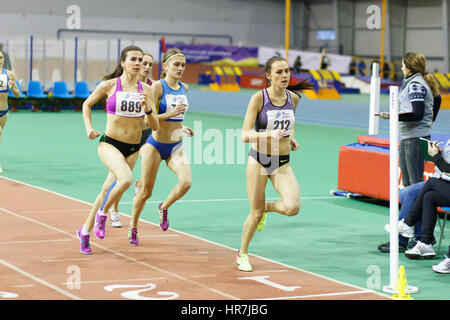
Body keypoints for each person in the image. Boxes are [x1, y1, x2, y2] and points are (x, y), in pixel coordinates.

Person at [77, 45, 159, 254]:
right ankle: (102, 214)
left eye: (141, 60)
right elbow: (87, 104)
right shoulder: (109, 85)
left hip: (132, 147)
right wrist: (89, 128)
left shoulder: (147, 90)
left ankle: (85, 231)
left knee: (106, 189)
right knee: (125, 180)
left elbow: (155, 125)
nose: (138, 63)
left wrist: (148, 109)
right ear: (123, 62)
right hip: (110, 143)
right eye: (133, 59)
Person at [236, 56, 314, 272]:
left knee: (292, 207)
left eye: (287, 71)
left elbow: (291, 124)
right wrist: (269, 134)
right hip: (260, 160)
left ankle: (267, 208)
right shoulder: (258, 99)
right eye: (279, 72)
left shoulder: (293, 98)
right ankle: (242, 253)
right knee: (255, 213)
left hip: (281, 163)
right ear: (268, 76)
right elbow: (244, 135)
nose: (285, 75)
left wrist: (291, 138)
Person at [129, 48, 194, 246]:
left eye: (183, 65)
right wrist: (172, 112)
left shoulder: (185, 88)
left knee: (186, 183)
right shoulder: (157, 87)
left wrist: (182, 126)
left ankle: (164, 207)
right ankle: (133, 227)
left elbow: (179, 115)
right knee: (146, 192)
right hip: (155, 145)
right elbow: (150, 119)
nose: (180, 68)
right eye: (176, 64)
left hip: (176, 146)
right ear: (165, 66)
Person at [377, 90, 441, 253]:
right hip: (442, 178)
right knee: (406, 192)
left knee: (414, 192)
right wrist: (438, 154)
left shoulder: (418, 85)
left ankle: (402, 236)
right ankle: (418, 236)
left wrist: (438, 159)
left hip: (443, 180)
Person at [377, 51, 441, 187]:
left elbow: (417, 114)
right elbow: (437, 98)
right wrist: (432, 119)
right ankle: (411, 208)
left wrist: (392, 115)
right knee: (408, 183)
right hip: (410, 136)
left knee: (415, 183)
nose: (401, 68)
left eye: (402, 66)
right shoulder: (415, 82)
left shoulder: (415, 85)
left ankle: (418, 208)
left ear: (409, 68)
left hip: (416, 138)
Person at [385, 139, 450, 259]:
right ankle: (426, 242)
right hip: (445, 181)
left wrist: (435, 156)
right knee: (429, 196)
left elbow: (448, 169)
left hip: (443, 180)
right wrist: (436, 152)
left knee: (430, 183)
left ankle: (408, 223)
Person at [0, 50, 20, 173]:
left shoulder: (10, 74)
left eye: (1, 57)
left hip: (3, 111)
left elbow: (17, 95)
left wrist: (12, 87)